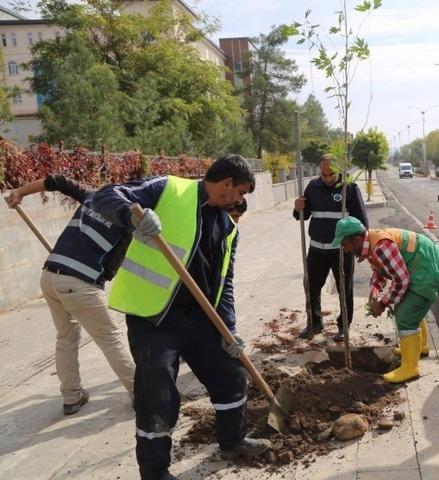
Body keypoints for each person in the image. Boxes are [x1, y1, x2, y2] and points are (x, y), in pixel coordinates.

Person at [91, 154, 270, 480]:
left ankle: (233, 441)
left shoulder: (228, 227)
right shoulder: (168, 190)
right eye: (241, 192)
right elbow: (103, 195)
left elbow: (224, 284)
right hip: (154, 319)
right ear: (227, 183)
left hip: (201, 320)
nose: (241, 200)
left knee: (231, 376)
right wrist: (132, 217)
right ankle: (155, 472)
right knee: (157, 395)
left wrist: (229, 331)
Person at [4, 175, 136, 415]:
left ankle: (72, 397)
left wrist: (20, 191)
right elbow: (109, 270)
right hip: (79, 283)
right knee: (111, 338)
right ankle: (141, 393)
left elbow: (57, 180)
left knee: (66, 338)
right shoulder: (126, 223)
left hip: (49, 276)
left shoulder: (92, 197)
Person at [333, 216, 439, 384]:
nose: (345, 249)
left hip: (430, 269)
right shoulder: (371, 243)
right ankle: (421, 348)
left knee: (406, 314)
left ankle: (410, 367)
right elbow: (380, 271)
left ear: (357, 239)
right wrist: (374, 290)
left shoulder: (381, 246)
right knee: (408, 306)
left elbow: (401, 280)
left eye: (345, 244)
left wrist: (382, 303)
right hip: (423, 266)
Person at [293, 154, 368, 342]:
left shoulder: (349, 188)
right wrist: (298, 208)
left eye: (330, 175)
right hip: (317, 249)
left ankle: (344, 326)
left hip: (341, 250)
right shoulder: (312, 187)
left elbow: (362, 223)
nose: (326, 179)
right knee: (310, 286)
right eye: (323, 175)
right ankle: (314, 322)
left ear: (338, 171)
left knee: (345, 288)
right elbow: (302, 215)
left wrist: (361, 248)